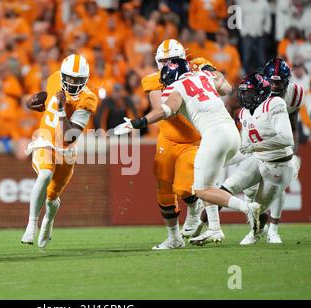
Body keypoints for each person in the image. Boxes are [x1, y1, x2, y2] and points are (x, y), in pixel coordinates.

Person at [114, 58, 262, 245]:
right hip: (232, 133)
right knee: (207, 180)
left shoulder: (176, 87)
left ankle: (248, 208)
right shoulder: (204, 75)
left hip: (213, 136)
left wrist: (138, 122)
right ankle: (214, 229)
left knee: (201, 190)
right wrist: (211, 69)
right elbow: (226, 87)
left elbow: (167, 110)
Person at [21, 54, 98, 248]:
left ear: (85, 80)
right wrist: (38, 103)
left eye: (78, 80)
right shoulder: (54, 78)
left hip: (66, 149)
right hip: (45, 140)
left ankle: (48, 221)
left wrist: (62, 108)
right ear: (63, 75)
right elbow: (48, 99)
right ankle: (32, 224)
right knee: (45, 173)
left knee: (52, 198)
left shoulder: (87, 99)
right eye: (69, 78)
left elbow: (69, 136)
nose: (72, 83)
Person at [138, 39, 206, 250]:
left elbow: (220, 87)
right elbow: (163, 111)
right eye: (164, 61)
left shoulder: (197, 69)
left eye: (172, 61)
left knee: (184, 188)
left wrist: (205, 70)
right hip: (167, 138)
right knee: (164, 190)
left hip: (193, 139)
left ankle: (195, 207)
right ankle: (174, 238)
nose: (169, 65)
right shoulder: (153, 80)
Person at [222, 72, 294, 244]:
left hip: (278, 165)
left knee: (259, 208)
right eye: (243, 92)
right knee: (226, 187)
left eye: (248, 92)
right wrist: (223, 161)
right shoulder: (244, 113)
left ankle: (258, 232)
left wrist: (255, 147)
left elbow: (286, 139)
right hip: (258, 158)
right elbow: (244, 149)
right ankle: (207, 228)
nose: (244, 96)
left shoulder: (275, 103)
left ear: (260, 92)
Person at [238, 58, 304, 244]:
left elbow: (293, 126)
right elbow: (247, 121)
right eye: (271, 81)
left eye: (279, 81)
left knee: (278, 183)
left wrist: (292, 153)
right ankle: (257, 227)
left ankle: (273, 230)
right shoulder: (257, 92)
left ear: (287, 81)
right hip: (256, 142)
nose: (275, 86)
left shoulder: (295, 94)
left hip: (280, 144)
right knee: (250, 192)